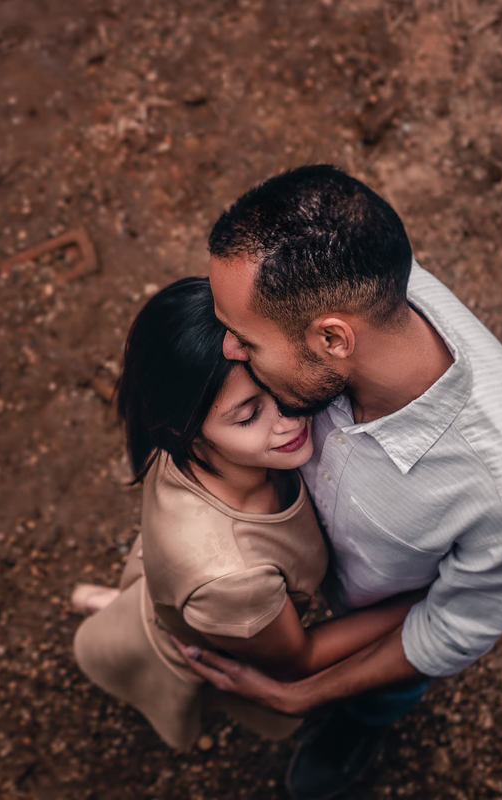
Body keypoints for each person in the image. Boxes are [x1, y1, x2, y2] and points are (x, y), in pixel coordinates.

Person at [171, 164, 502, 800]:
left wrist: (303, 693)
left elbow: (449, 628)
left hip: (377, 619)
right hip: (300, 569)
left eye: (245, 340)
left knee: (386, 693)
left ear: (332, 339)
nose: (230, 352)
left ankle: (360, 723)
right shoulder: (356, 292)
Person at [70, 276, 422, 752]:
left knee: (161, 600)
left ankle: (132, 606)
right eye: (248, 416)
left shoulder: (183, 434)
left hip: (200, 595)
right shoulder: (233, 579)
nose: (290, 415)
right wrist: (424, 602)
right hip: (225, 619)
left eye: (282, 382)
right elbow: (297, 659)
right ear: (188, 433)